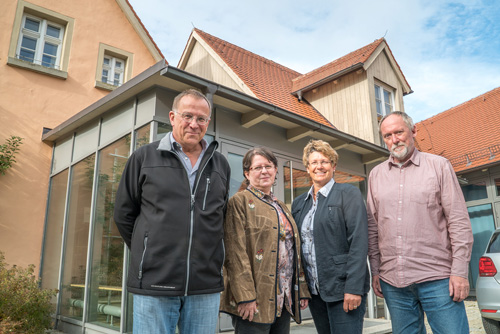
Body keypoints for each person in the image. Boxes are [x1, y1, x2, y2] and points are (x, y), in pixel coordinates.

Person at [113, 89, 231, 334]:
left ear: (208, 123)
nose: (194, 124)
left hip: (204, 284)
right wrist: (149, 251)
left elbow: (221, 217)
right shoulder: (144, 157)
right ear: (172, 117)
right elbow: (124, 215)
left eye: (201, 119)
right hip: (156, 282)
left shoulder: (220, 164)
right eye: (187, 116)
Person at [367, 111, 473, 334]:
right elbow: (373, 228)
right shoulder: (376, 175)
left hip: (438, 280)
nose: (394, 139)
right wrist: (376, 270)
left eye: (399, 132)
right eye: (387, 136)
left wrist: (460, 272)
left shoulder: (439, 166)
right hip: (393, 283)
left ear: (413, 131)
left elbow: (458, 222)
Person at [220, 147, 311, 333]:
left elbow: (294, 250)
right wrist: (245, 297)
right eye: (257, 167)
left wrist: (300, 290)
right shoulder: (239, 202)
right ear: (247, 173)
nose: (264, 171)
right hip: (254, 300)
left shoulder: (281, 207)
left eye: (268, 166)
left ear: (275, 170)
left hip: (283, 299)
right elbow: (235, 253)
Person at [291, 140, 370, 334]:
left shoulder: (348, 194)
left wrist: (353, 288)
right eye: (314, 162)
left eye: (325, 161)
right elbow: (297, 249)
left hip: (343, 290)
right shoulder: (299, 203)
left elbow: (359, 243)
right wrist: (301, 289)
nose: (319, 166)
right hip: (315, 292)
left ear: (333, 166)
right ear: (307, 168)